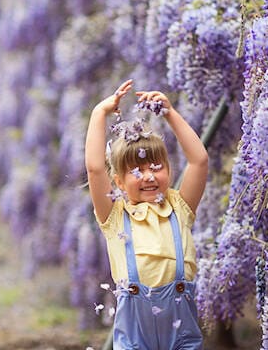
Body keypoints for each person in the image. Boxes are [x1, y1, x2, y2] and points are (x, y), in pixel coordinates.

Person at [85, 79, 208, 350]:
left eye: (156, 166)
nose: (149, 175)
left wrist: (171, 114)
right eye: (136, 171)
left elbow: (199, 160)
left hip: (181, 331)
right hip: (135, 333)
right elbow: (95, 169)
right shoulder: (115, 215)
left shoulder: (179, 206)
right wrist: (99, 113)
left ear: (169, 170)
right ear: (118, 182)